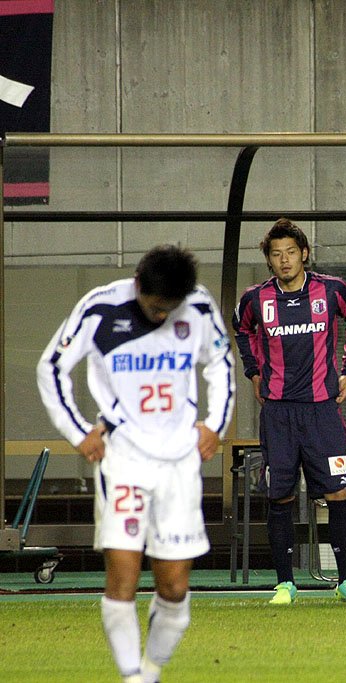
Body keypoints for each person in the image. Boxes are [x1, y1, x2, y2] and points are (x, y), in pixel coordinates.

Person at [37, 245, 235, 683]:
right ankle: (132, 677)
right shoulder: (101, 307)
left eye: (170, 309)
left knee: (175, 588)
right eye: (155, 307)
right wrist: (78, 431)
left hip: (179, 464)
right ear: (138, 285)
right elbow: (51, 368)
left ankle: (150, 670)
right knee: (123, 578)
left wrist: (215, 424)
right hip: (123, 460)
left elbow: (221, 363)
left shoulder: (199, 305)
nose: (162, 316)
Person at [233, 218, 346, 605]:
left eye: (291, 252)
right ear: (269, 260)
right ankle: (285, 584)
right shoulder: (255, 299)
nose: (285, 260)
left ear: (304, 254)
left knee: (338, 491)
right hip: (278, 414)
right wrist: (253, 371)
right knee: (280, 496)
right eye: (277, 254)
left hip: (322, 412)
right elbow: (241, 330)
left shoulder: (333, 289)